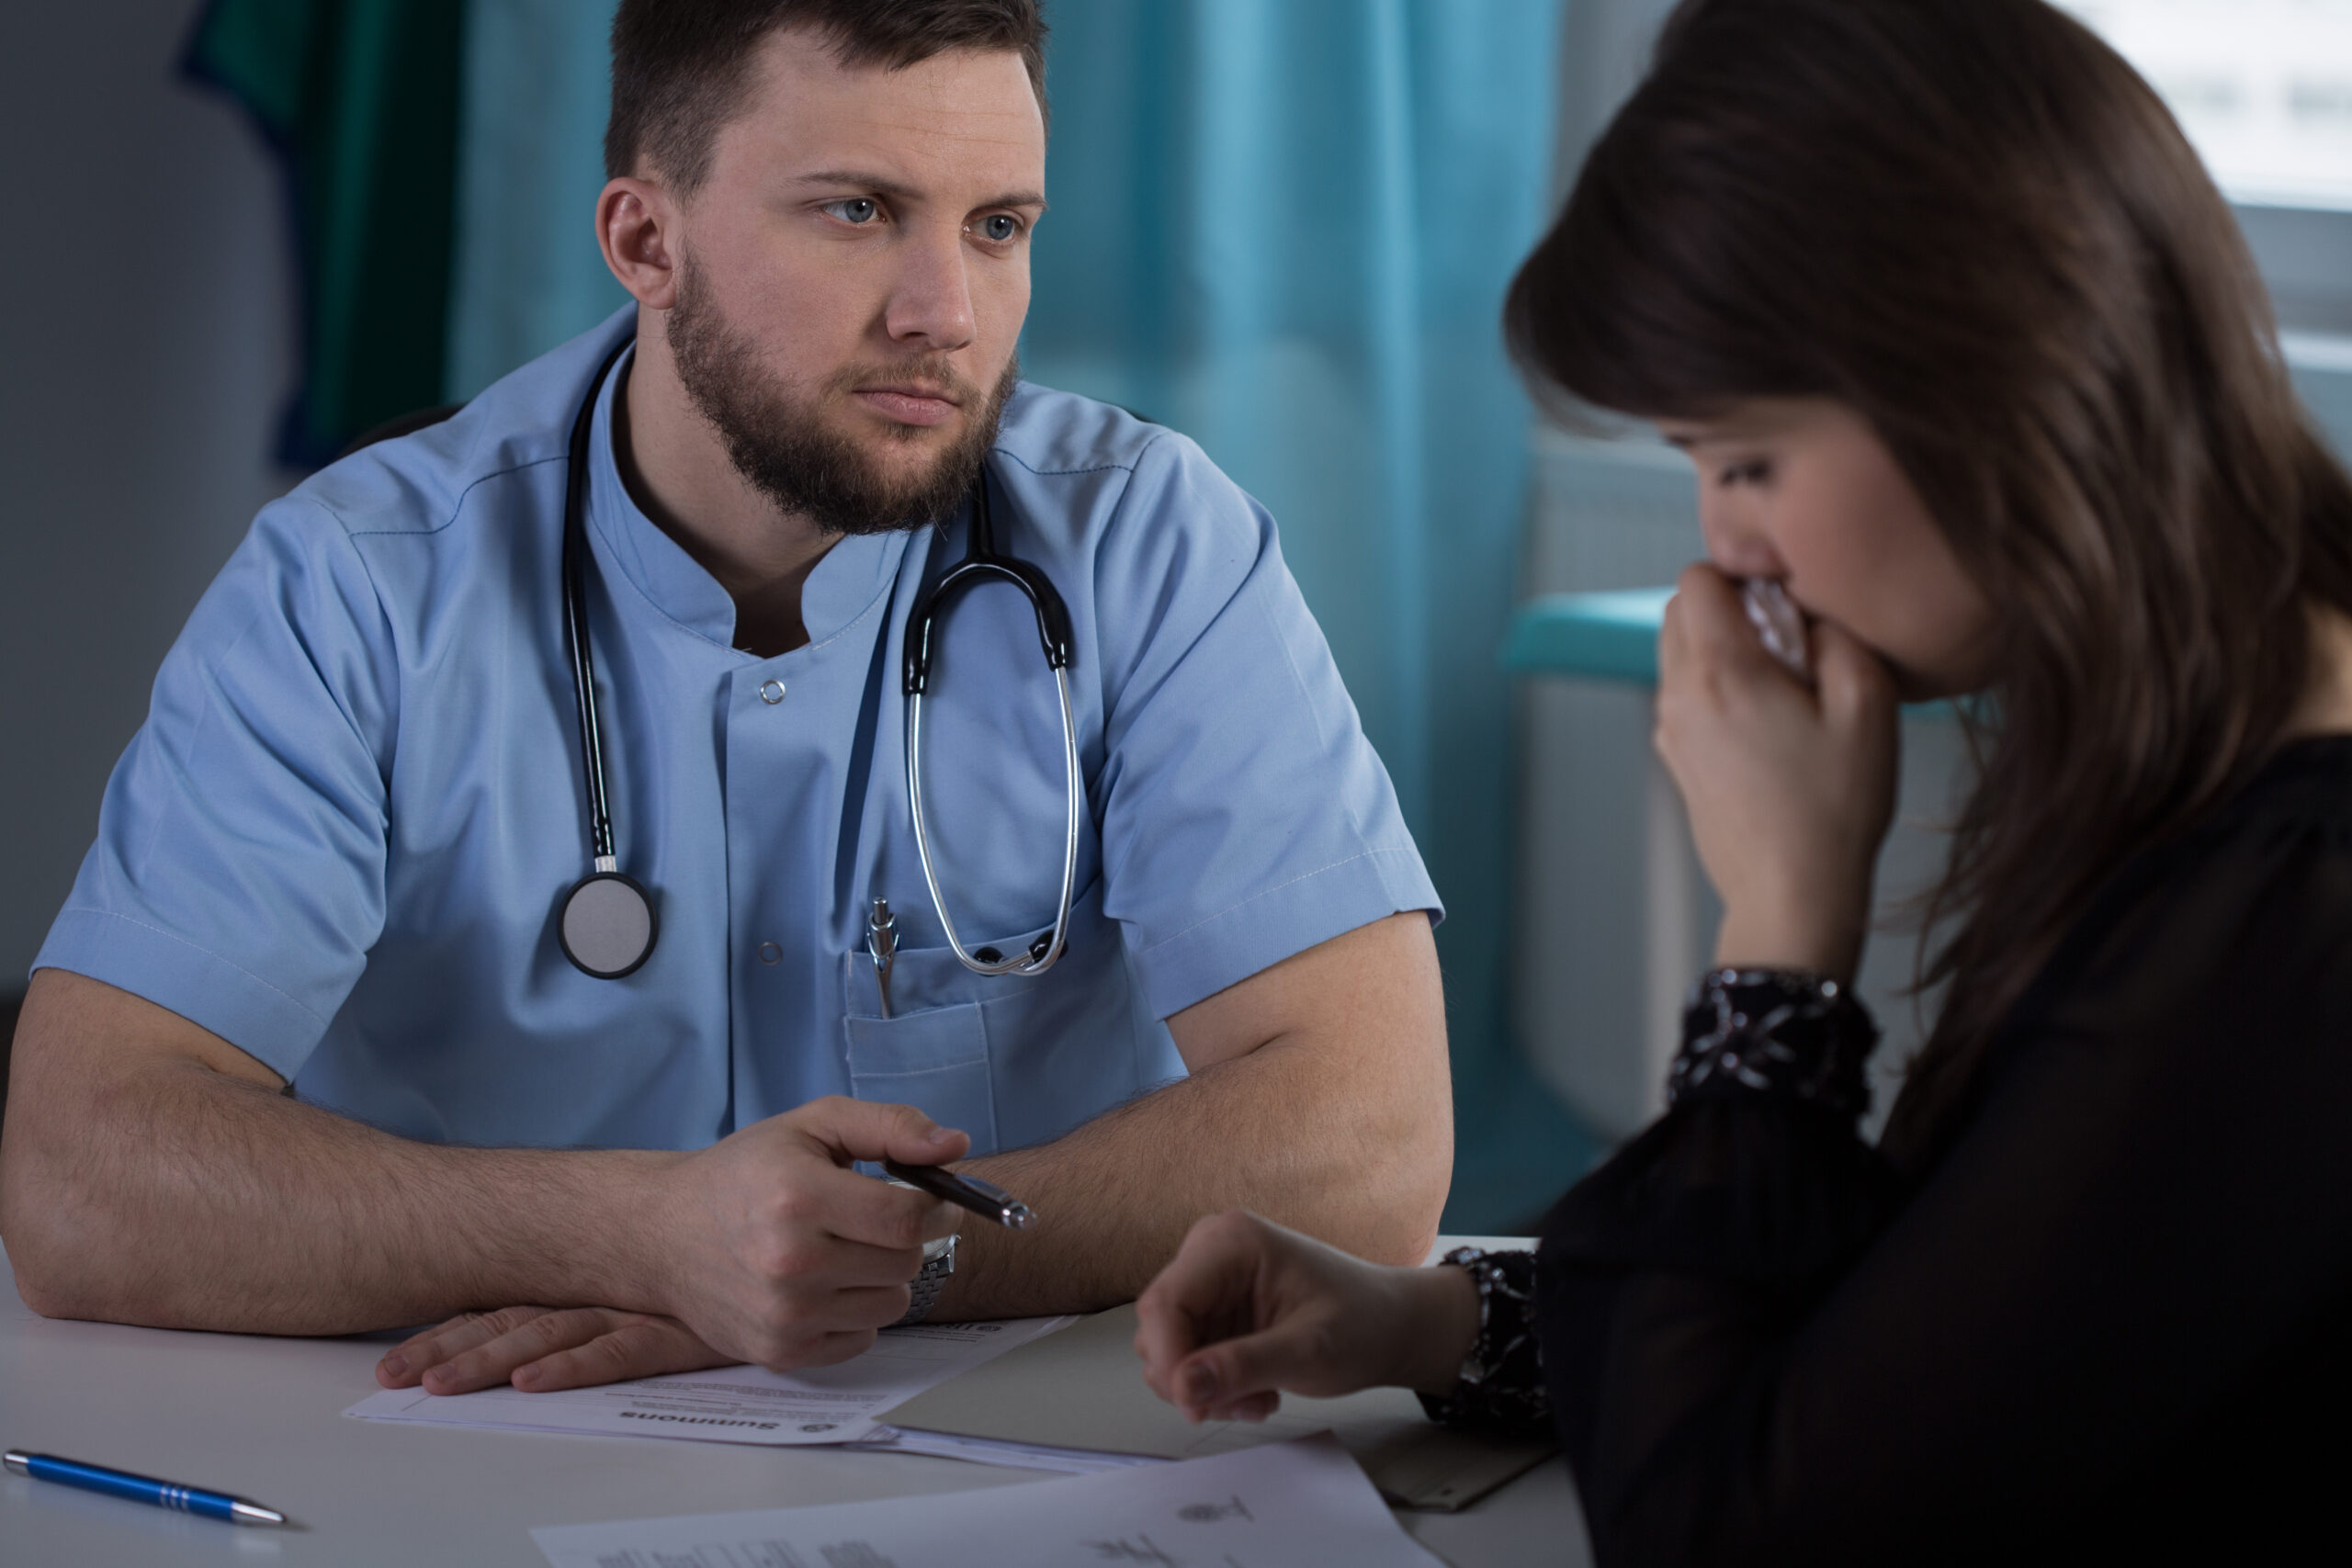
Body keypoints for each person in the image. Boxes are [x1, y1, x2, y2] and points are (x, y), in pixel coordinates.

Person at [0, 0, 1454, 1399]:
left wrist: (883, 1261)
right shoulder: (359, 584)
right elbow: (84, 1172)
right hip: (472, 1446)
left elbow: (1370, 1142)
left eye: (997, 227)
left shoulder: (1150, 545)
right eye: (858, 212)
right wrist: (646, 1241)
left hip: (1001, 1459)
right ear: (648, 239)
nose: (945, 314)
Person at [1132, 0, 2352, 1560]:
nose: (1725, 550)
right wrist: (1439, 1324)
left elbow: (1733, 1522)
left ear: (1996, 371)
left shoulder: (2284, 919)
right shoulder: (2200, 761)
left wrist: (1779, 935)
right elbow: (1942, 1339)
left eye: (1749, 461)